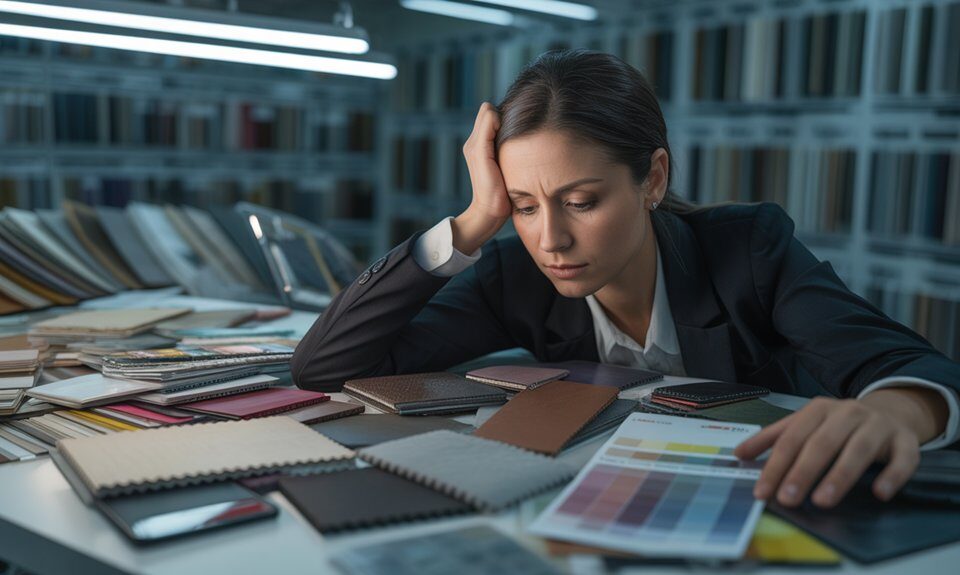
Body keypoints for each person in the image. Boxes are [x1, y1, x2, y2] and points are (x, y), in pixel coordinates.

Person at [291, 50, 959, 510]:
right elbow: (326, 365)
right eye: (524, 207)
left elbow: (912, 368)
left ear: (653, 179)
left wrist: (890, 412)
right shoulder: (514, 276)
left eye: (581, 201)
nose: (551, 239)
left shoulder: (748, 250)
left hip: (775, 499)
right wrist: (471, 223)